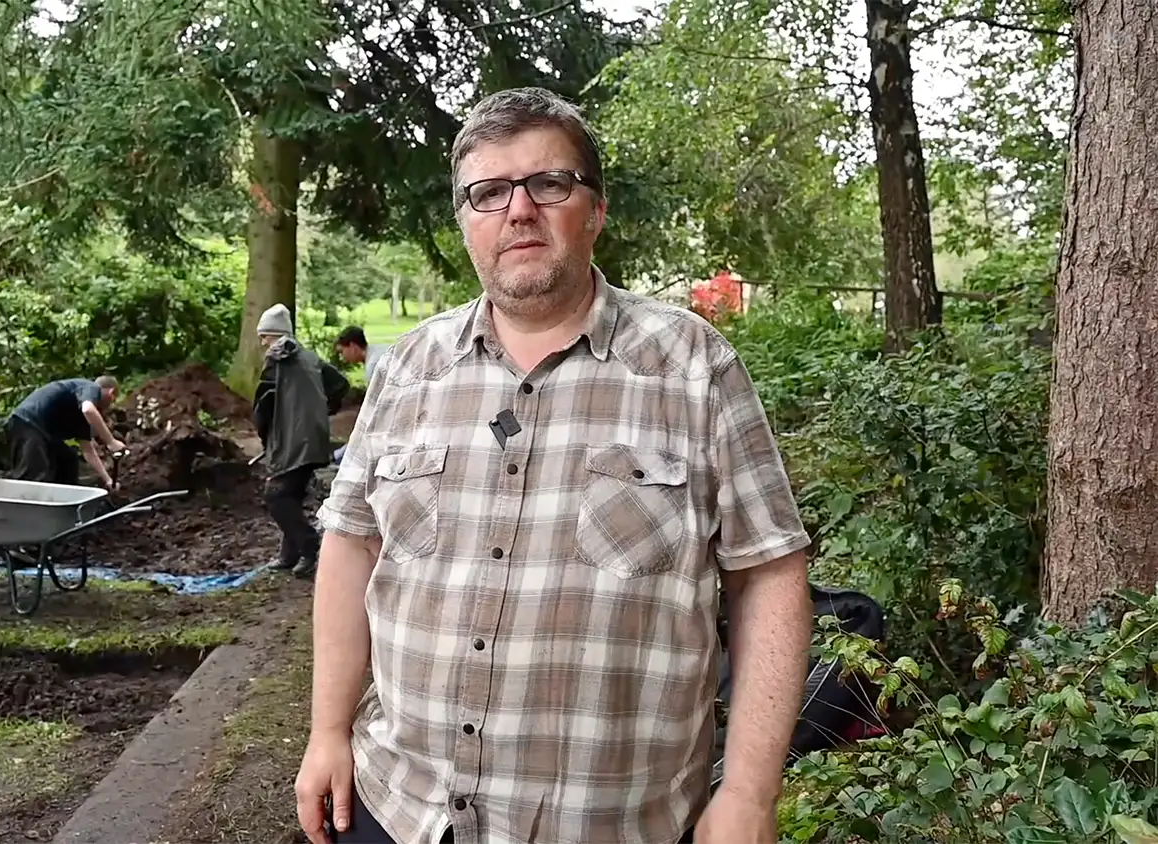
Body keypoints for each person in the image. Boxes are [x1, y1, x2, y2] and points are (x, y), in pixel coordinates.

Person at [296, 87, 815, 844]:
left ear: (595, 210)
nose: (518, 210)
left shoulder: (693, 366)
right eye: (488, 192)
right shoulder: (408, 368)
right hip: (401, 808)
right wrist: (326, 730)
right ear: (465, 221)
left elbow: (769, 572)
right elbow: (351, 546)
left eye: (549, 183)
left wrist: (748, 793)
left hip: (613, 826)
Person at [254, 303, 350, 579]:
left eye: (264, 336)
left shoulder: (275, 360)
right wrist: (323, 410)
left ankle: (309, 545)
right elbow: (340, 384)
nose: (262, 342)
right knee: (292, 493)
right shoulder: (310, 357)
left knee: (276, 495)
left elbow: (263, 406)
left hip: (291, 441)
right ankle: (290, 554)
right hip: (315, 437)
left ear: (274, 335)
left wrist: (266, 438)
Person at [5, 376, 126, 488]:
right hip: (26, 423)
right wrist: (111, 441)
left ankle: (64, 500)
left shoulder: (80, 413)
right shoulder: (91, 387)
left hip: (45, 433)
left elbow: (88, 451)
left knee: (68, 460)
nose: (109, 406)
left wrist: (108, 480)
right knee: (34, 473)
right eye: (112, 400)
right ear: (111, 393)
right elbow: (88, 409)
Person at [331, 326, 389, 465]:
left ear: (352, 346)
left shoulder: (373, 365)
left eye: (342, 352)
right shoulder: (379, 351)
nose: (343, 357)